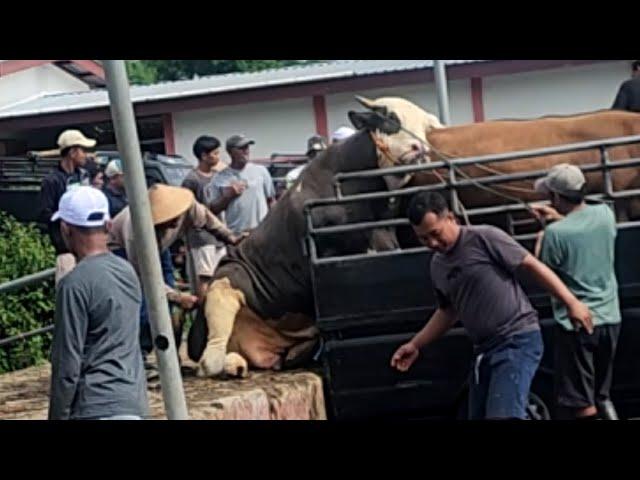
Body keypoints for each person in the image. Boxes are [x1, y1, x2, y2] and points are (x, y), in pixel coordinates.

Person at [390, 191, 593, 420]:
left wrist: (571, 302)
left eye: (435, 234)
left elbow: (532, 266)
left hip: (516, 339)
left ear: (451, 218)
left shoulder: (484, 238)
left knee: (504, 416)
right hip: (485, 350)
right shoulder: (438, 266)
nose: (432, 243)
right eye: (424, 239)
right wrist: (416, 344)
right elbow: (448, 311)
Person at [48, 186, 147, 420]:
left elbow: (67, 364)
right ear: (108, 225)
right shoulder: (127, 272)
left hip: (94, 405)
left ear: (65, 229)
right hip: (132, 404)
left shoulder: (73, 285)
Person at [533, 164, 621, 420]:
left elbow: (543, 273)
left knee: (580, 400)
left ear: (557, 197)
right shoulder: (605, 214)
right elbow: (582, 225)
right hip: (611, 318)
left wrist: (542, 234)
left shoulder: (554, 234)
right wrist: (559, 220)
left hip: (577, 325)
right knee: (601, 394)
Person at [39, 129, 94, 283]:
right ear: (72, 152)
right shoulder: (51, 181)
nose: (85, 155)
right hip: (65, 251)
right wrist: (63, 217)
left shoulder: (83, 176)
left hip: (88, 247)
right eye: (82, 150)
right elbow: (45, 213)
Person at [182, 135, 228, 301]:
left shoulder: (218, 176)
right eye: (215, 153)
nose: (218, 157)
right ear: (204, 156)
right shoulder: (191, 180)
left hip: (219, 235)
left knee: (220, 274)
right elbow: (188, 211)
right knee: (205, 277)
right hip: (202, 236)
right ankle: (203, 309)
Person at [208, 134, 276, 235]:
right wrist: (227, 197)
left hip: (262, 233)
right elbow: (213, 210)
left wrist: (274, 227)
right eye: (241, 148)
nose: (246, 151)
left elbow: (271, 201)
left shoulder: (261, 171)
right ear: (230, 152)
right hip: (237, 235)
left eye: (247, 147)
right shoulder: (220, 178)